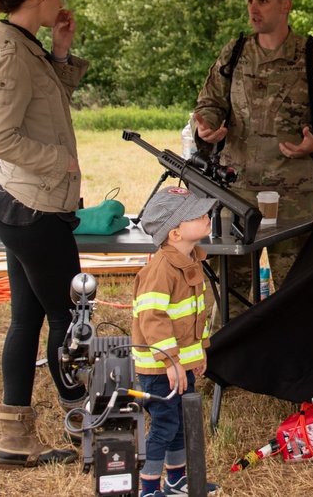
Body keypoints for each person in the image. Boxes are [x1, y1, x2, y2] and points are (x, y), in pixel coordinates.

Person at [0, 0, 87, 468]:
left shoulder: (25, 46)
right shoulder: (12, 53)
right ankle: (86, 427)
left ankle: (15, 439)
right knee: (70, 315)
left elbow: (49, 105)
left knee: (27, 319)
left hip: (26, 202)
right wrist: (58, 160)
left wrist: (62, 52)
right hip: (33, 205)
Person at [192, 0, 313, 315]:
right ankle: (231, 365)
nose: (253, 9)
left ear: (285, 5)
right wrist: (205, 128)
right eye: (250, 1)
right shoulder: (233, 53)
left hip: (292, 196)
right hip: (236, 193)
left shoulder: (312, 57)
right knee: (230, 292)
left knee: (297, 293)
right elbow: (209, 104)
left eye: (262, 0)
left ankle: (294, 365)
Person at [132, 186, 220, 497]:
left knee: (182, 426)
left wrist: (199, 353)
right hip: (160, 369)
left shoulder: (191, 260)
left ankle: (176, 480)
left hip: (180, 365)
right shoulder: (161, 269)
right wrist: (171, 361)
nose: (206, 216)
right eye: (196, 215)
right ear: (174, 234)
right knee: (165, 426)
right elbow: (153, 319)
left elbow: (196, 314)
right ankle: (148, 487)